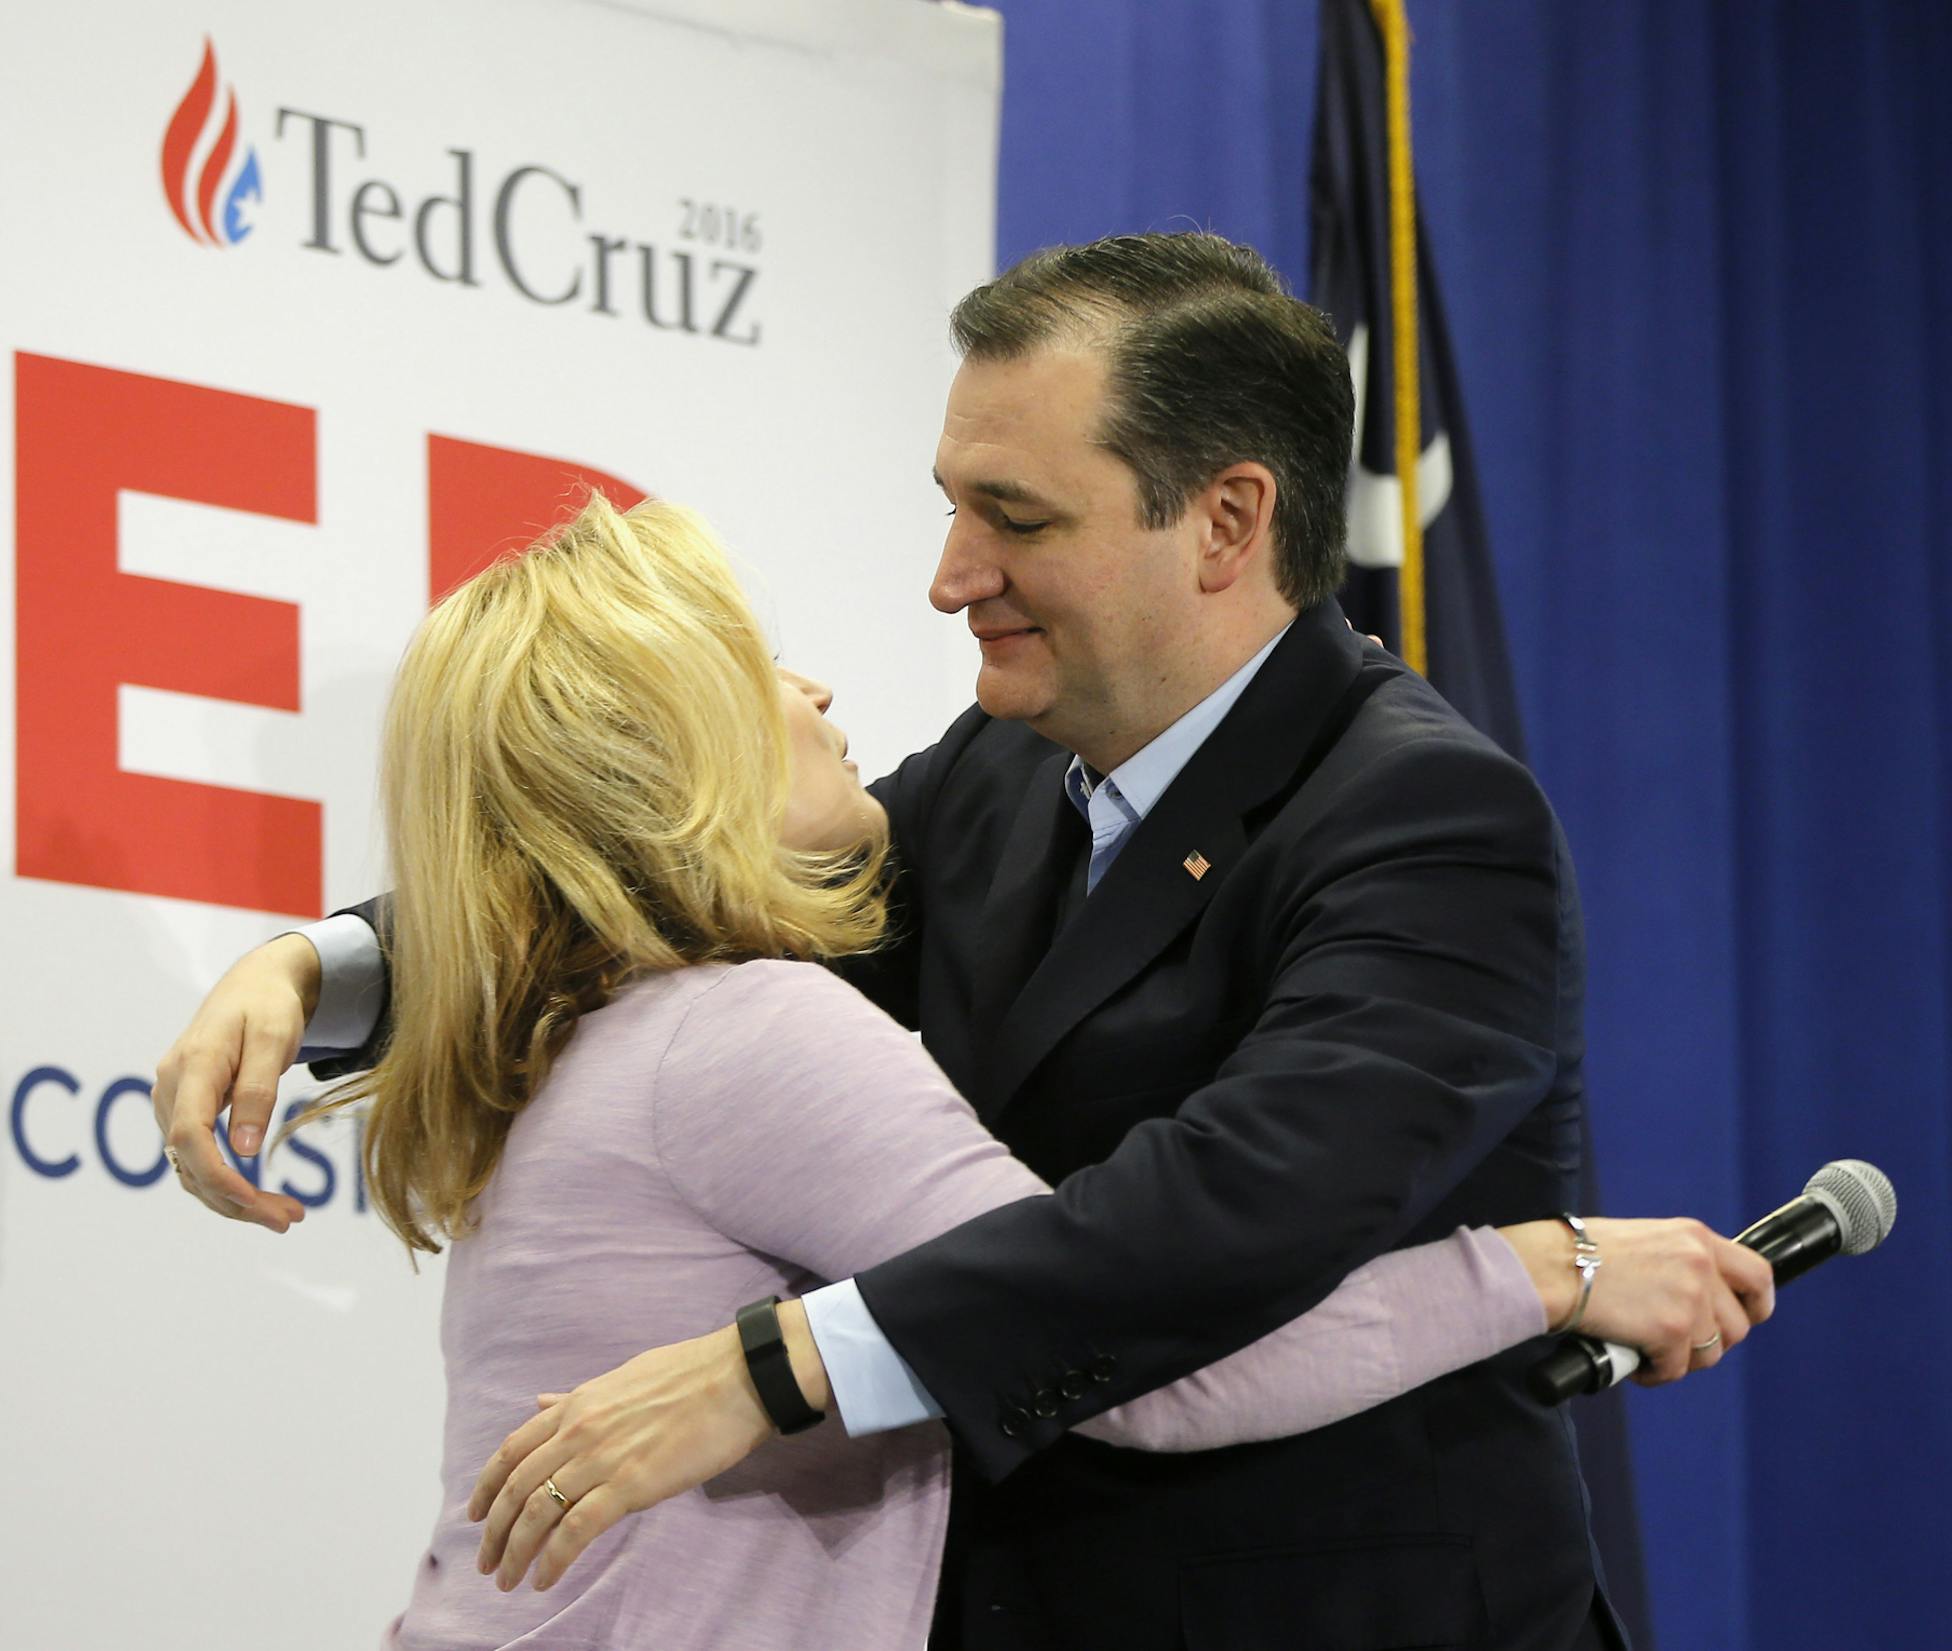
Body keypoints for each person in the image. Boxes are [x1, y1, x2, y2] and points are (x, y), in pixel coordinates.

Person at [157, 236, 1773, 1650]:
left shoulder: (1430, 830)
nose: (947, 581)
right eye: (951, 509)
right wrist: (328, 967)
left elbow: (1213, 1234)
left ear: (1226, 521)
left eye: (1014, 519)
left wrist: (770, 1371)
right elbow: (673, 890)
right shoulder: (1000, 775)